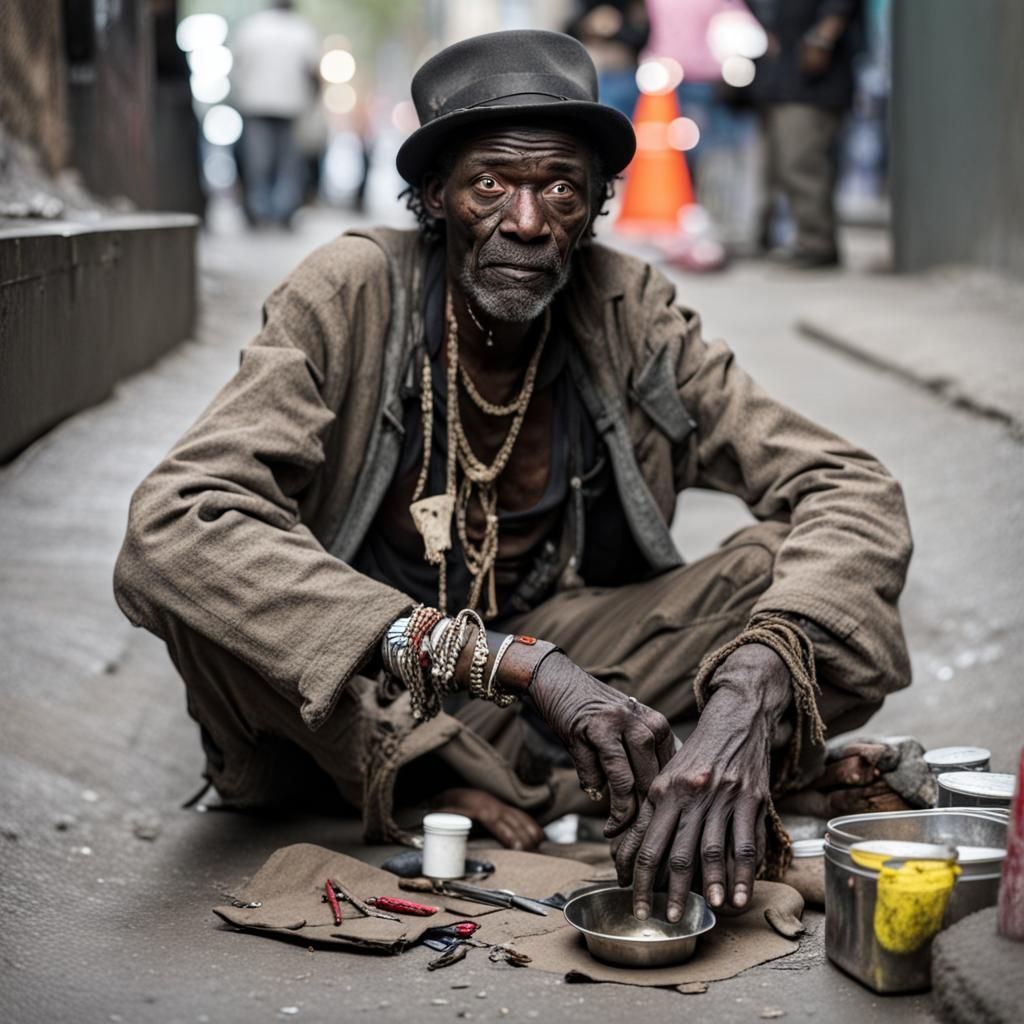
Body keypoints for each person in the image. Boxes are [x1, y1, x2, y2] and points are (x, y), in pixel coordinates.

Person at [114, 30, 912, 923]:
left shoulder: (626, 310)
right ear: (433, 196)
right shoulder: (351, 292)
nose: (528, 222)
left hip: (564, 677)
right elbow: (177, 524)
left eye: (560, 189)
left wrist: (755, 683)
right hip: (361, 708)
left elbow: (851, 486)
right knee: (209, 586)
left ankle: (622, 776)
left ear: (596, 204)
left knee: (793, 586)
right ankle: (489, 783)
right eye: (491, 183)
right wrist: (501, 663)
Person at [747, 0, 863, 267]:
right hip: (777, 78)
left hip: (811, 81)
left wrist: (822, 38)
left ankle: (816, 244)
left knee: (801, 164)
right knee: (775, 166)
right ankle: (773, 237)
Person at [229, 0, 321, 227]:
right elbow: (313, 73)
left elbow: (236, 68)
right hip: (291, 105)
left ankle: (260, 210)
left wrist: (240, 94)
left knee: (258, 162)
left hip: (255, 105)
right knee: (287, 163)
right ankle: (283, 211)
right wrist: (313, 101)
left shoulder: (251, 28)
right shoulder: (303, 30)